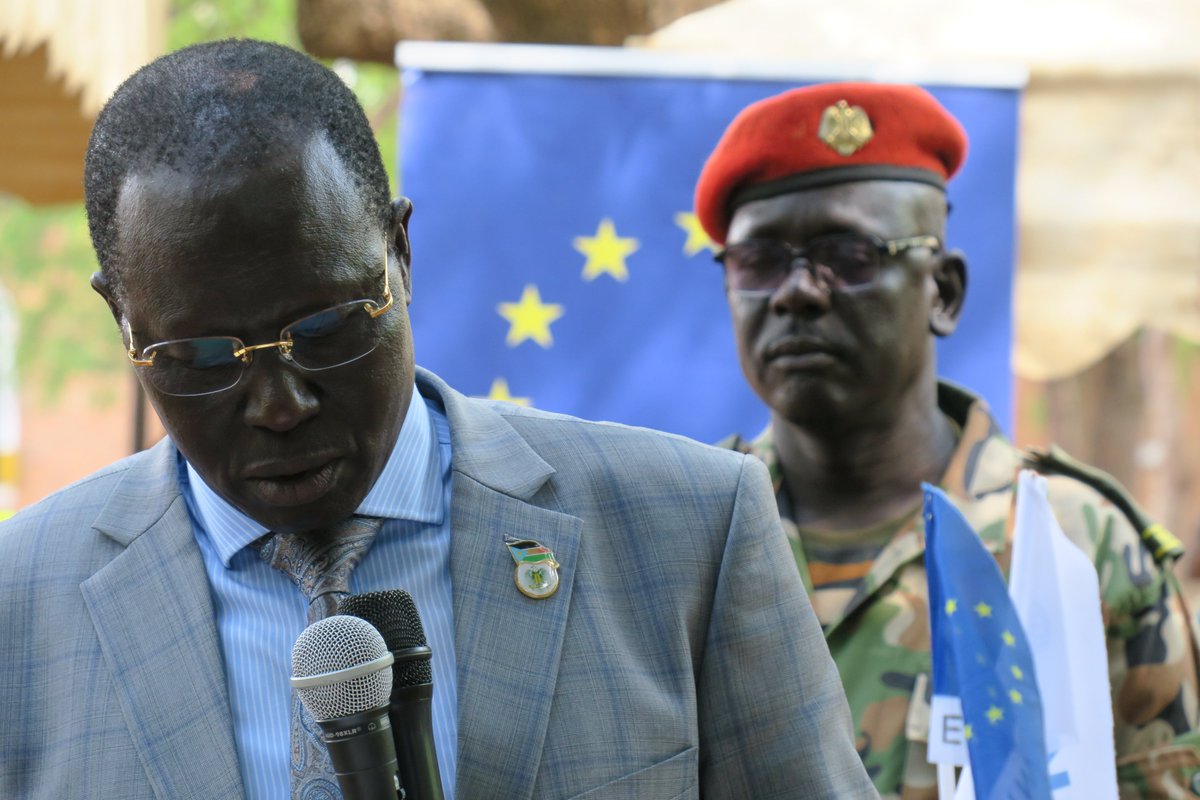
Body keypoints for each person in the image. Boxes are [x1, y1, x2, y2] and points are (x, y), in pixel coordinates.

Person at [0, 41, 876, 799]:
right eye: (197, 358)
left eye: (326, 328)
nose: (280, 404)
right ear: (123, 319)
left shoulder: (690, 534)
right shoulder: (21, 606)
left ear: (401, 252)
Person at [693, 81, 1200, 798]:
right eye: (758, 262)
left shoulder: (1072, 544)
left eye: (849, 255)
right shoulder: (683, 540)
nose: (796, 292)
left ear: (944, 293)